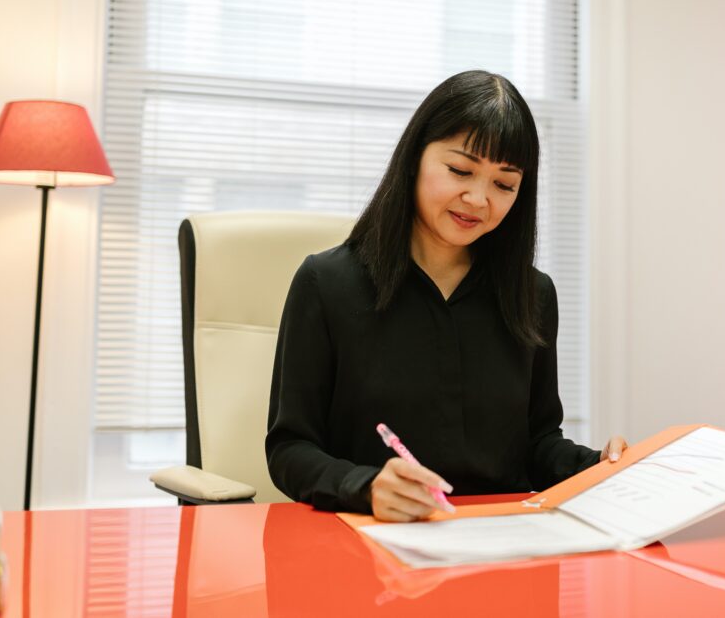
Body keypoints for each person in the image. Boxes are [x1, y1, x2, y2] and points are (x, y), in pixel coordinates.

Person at [266, 70, 627, 521]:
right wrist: (365, 486)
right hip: (373, 540)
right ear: (415, 157)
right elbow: (289, 449)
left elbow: (536, 445)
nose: (478, 198)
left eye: (504, 184)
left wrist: (600, 468)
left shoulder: (532, 295)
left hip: (502, 542)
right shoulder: (327, 282)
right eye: (460, 170)